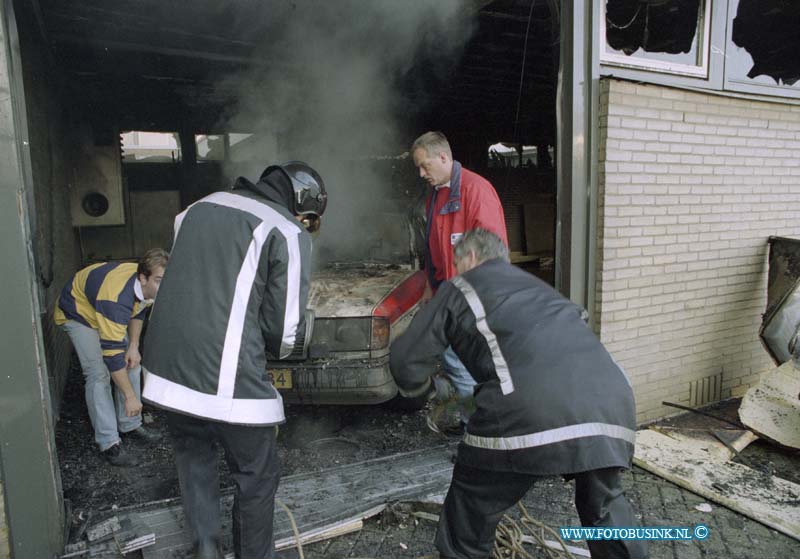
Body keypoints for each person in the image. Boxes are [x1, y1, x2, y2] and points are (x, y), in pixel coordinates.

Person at [390, 228, 647, 559]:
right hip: (612, 403)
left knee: (469, 506)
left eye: (457, 262)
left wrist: (420, 390)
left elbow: (406, 359)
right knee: (605, 508)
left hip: (528, 410)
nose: (456, 270)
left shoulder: (462, 287)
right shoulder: (543, 291)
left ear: (469, 257)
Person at [141, 162, 327, 559]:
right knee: (257, 476)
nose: (305, 224)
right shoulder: (287, 230)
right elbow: (286, 332)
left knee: (194, 458)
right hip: (226, 375)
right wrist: (294, 346)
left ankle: (206, 549)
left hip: (165, 371)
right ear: (300, 201)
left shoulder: (195, 209)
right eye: (308, 217)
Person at [411, 131, 508, 422]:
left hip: (475, 299)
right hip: (450, 294)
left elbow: (493, 251)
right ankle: (474, 420)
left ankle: (478, 430)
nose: (420, 173)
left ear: (443, 157)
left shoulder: (476, 191)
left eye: (424, 165)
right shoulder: (436, 196)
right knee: (454, 359)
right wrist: (430, 284)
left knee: (463, 362)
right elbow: (433, 247)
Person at [54, 248, 168, 466]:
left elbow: (140, 309)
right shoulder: (116, 301)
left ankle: (130, 424)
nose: (165, 286)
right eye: (159, 280)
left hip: (101, 305)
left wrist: (134, 346)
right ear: (143, 278)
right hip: (78, 313)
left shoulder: (147, 287)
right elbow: (112, 355)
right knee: (98, 374)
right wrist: (130, 396)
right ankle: (108, 442)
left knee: (132, 362)